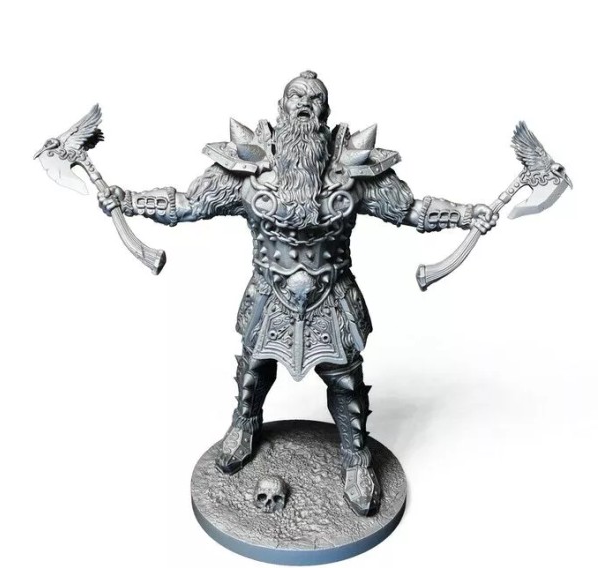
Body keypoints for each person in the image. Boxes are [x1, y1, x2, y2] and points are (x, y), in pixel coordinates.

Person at [99, 71, 497, 516]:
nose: (305, 103)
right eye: (296, 96)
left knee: (345, 380)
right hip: (269, 294)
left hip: (332, 295)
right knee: (254, 367)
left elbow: (410, 210)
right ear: (282, 107)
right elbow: (187, 204)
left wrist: (467, 214)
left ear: (325, 112)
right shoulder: (247, 168)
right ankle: (244, 424)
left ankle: (355, 458)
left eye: (315, 98)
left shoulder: (353, 170)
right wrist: (129, 201)